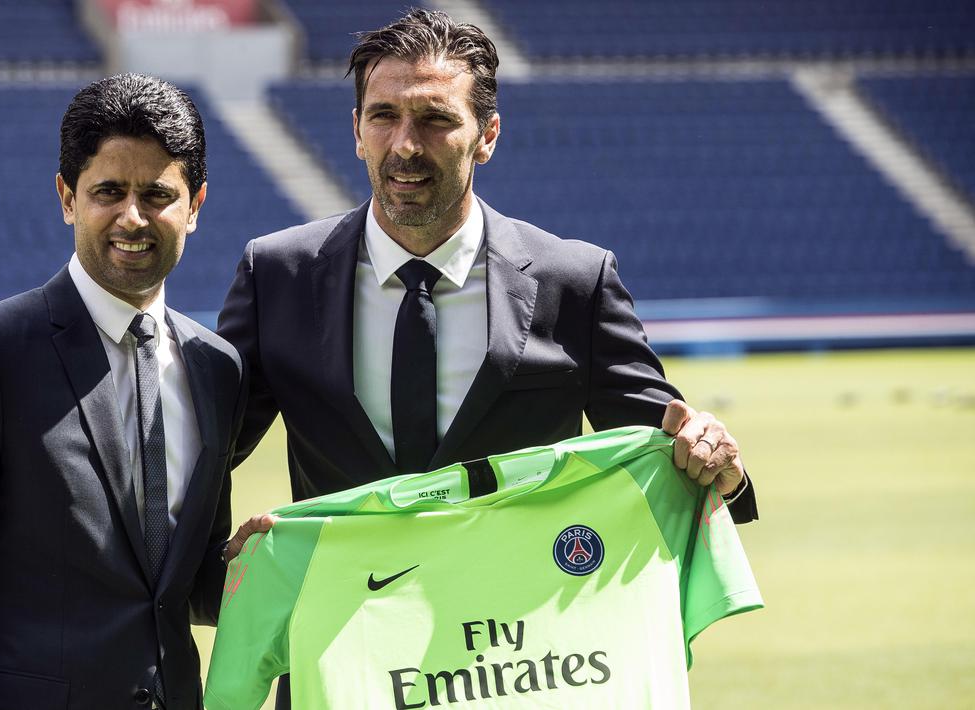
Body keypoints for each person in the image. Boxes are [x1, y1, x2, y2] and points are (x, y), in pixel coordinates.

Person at [218, 8, 755, 549]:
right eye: (384, 116)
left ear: (487, 136)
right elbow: (201, 455)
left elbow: (665, 451)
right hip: (341, 622)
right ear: (357, 130)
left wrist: (717, 465)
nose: (405, 144)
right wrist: (215, 572)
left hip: (519, 628)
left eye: (436, 119)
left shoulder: (574, 282)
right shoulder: (277, 276)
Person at [0, 74, 245, 710]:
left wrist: (280, 561)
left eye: (157, 194)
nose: (132, 217)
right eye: (108, 192)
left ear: (196, 204)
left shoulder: (217, 367)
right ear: (67, 198)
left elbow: (183, 582)